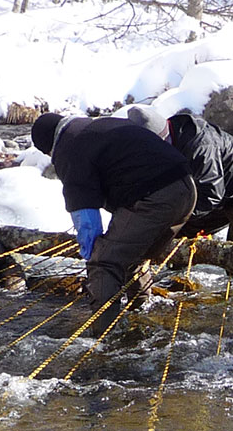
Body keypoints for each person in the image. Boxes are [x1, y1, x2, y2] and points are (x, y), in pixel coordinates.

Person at [30, 111, 196, 315]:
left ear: (48, 147)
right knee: (132, 254)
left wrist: (93, 256)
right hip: (186, 188)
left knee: (105, 261)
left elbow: (86, 219)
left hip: (155, 196)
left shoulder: (69, 148)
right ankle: (142, 312)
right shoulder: (96, 127)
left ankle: (103, 338)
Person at [124, 105, 233, 243]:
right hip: (220, 190)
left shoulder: (201, 146)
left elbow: (211, 195)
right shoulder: (164, 144)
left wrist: (173, 219)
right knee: (171, 237)